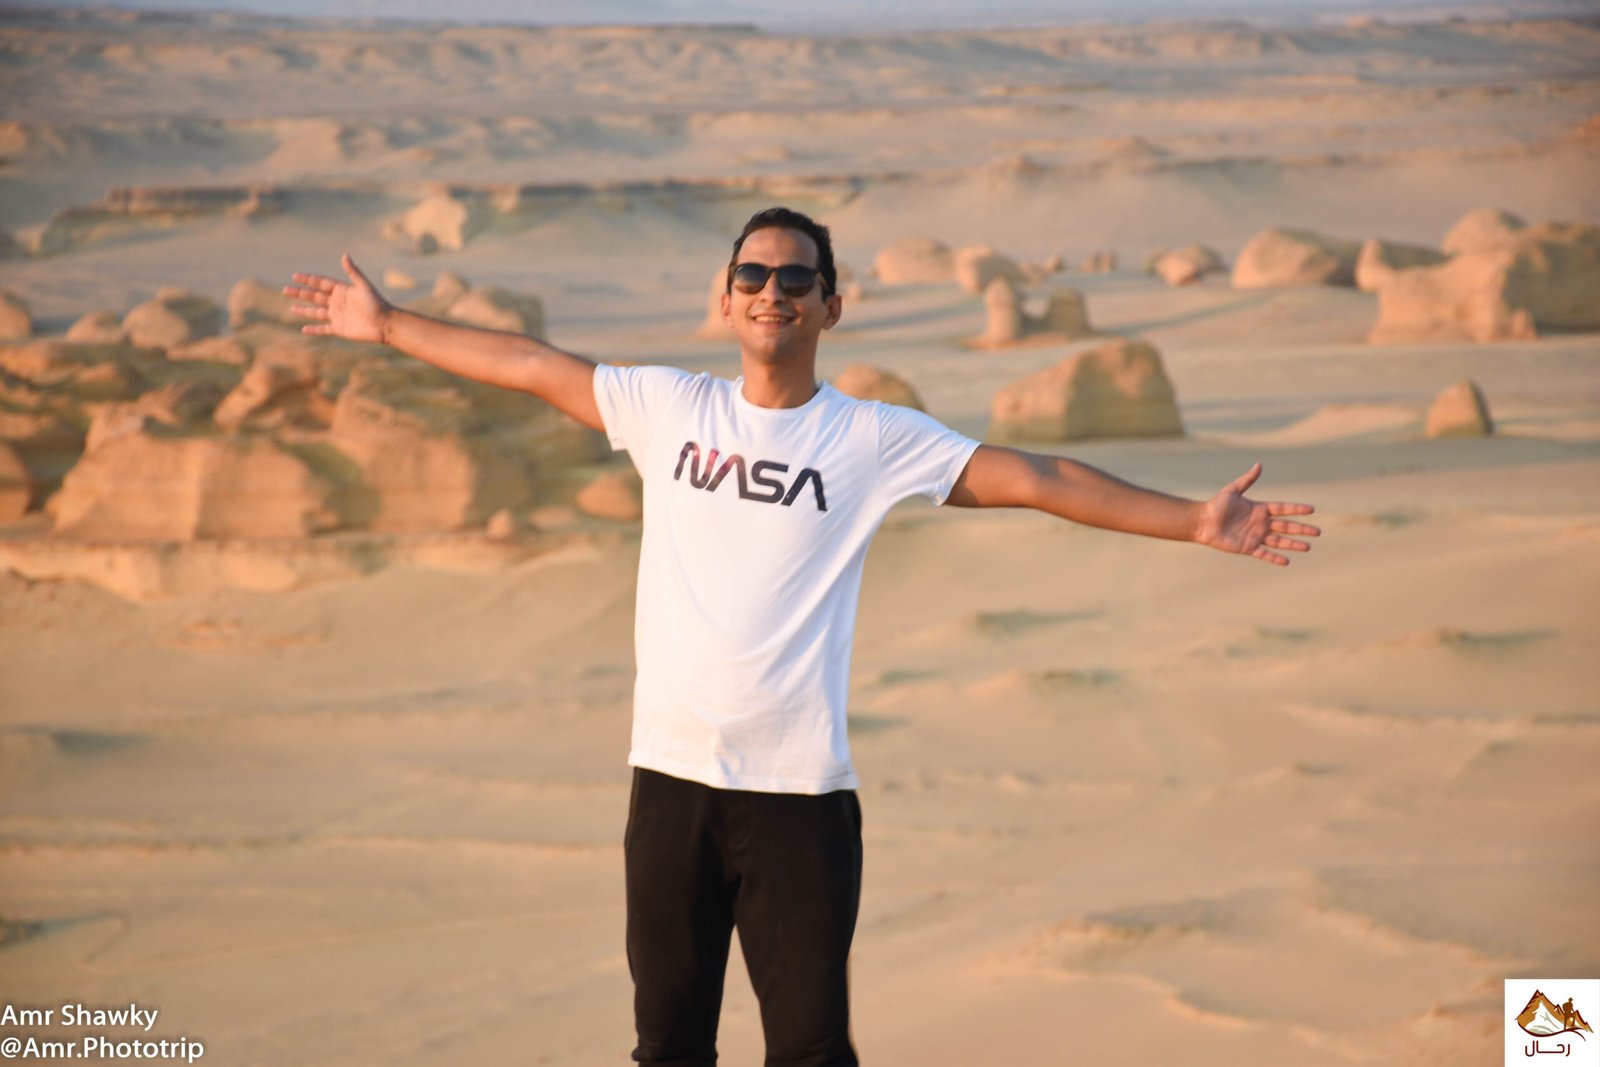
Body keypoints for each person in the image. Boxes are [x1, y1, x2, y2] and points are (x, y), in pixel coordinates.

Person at [286, 206, 1319, 1067]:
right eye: (753, 274)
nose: (771, 290)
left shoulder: (869, 438)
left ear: (831, 303)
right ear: (726, 297)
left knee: (812, 1055)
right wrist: (387, 324)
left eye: (795, 277)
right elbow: (525, 362)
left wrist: (1193, 520)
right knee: (667, 1049)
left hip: (799, 801)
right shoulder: (668, 408)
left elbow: (1036, 477)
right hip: (671, 787)